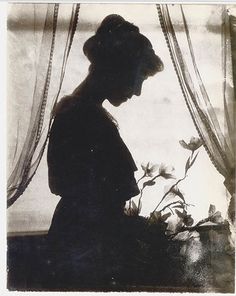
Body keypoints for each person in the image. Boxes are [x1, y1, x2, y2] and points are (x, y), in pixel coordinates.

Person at [46, 14, 163, 288]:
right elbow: (93, 204)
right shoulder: (83, 118)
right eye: (139, 78)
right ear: (116, 69)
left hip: (82, 242)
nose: (137, 92)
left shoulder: (80, 113)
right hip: (84, 249)